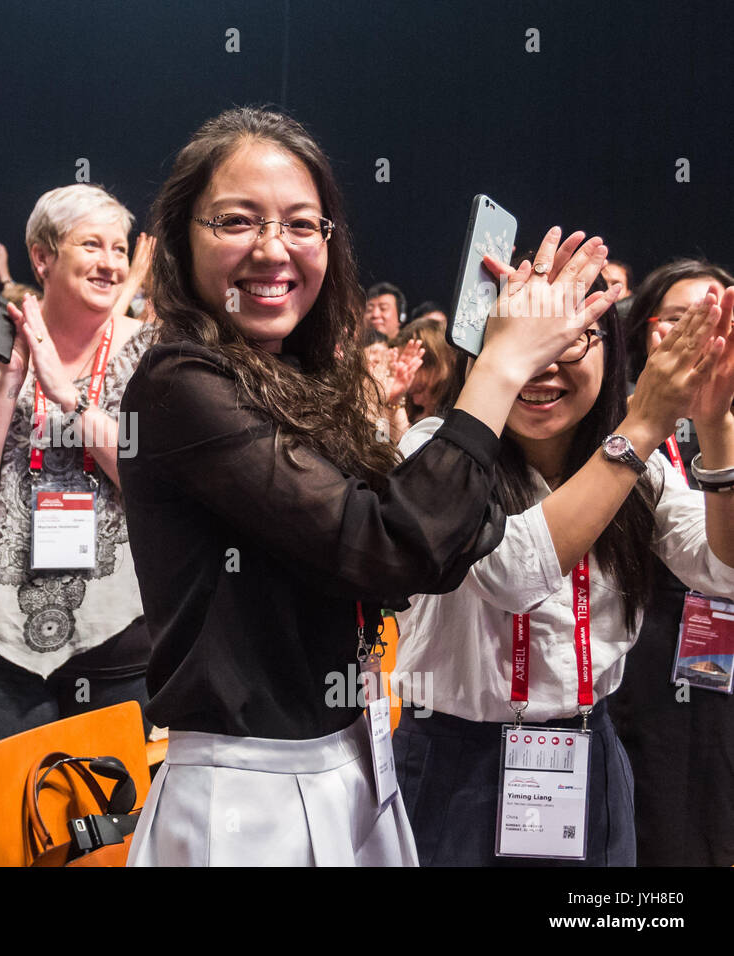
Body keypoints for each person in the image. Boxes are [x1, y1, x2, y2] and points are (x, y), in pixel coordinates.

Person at [117, 106, 619, 867]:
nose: (272, 248)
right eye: (236, 221)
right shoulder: (179, 380)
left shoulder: (295, 377)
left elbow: (441, 539)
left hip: (351, 759)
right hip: (247, 796)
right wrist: (499, 369)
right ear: (183, 239)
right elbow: (385, 546)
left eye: (301, 224)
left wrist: (499, 362)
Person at [393, 260, 734, 866]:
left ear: (612, 351)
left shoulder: (641, 468)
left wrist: (714, 424)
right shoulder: (433, 452)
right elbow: (511, 575)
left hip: (588, 752)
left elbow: (722, 567)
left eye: (575, 334)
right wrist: (644, 426)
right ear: (483, 351)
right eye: (527, 332)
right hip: (456, 761)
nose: (546, 361)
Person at [0, 183, 156, 866]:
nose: (110, 262)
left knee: (105, 843)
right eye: (91, 245)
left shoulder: (148, 356)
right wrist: (14, 379)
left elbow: (153, 480)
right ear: (42, 256)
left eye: (118, 248)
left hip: (114, 639)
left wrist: (69, 396)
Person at [610, 258, 734, 866]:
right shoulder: (614, 430)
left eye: (713, 322)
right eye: (678, 320)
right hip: (643, 651)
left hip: (724, 654)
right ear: (643, 333)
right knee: (652, 824)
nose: (696, 336)